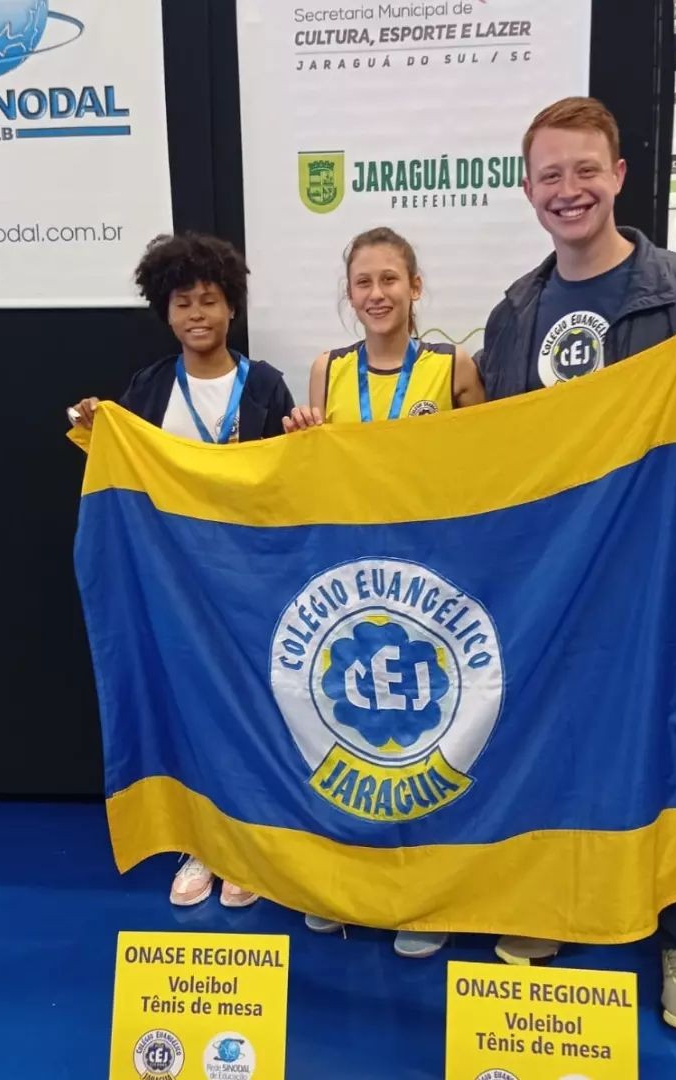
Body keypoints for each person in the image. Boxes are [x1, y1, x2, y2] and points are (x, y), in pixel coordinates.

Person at [478, 97, 676, 1032]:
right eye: (550, 175)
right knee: (550, 744)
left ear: (618, 175)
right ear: (528, 190)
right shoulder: (515, 313)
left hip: (667, 578)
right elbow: (498, 454)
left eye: (586, 170)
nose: (569, 190)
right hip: (558, 583)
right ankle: (552, 902)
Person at [69, 231, 295, 910]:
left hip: (250, 584)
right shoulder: (148, 387)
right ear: (166, 313)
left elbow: (289, 480)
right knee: (192, 710)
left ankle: (249, 845)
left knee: (252, 709)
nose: (197, 313)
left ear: (232, 308)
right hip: (174, 587)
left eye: (210, 299)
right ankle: (203, 842)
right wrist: (94, 424)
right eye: (183, 303)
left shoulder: (266, 385)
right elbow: (121, 473)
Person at [283, 225, 485, 958]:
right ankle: (345, 882)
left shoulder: (452, 366)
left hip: (430, 580)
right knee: (349, 732)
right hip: (351, 581)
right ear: (350, 292)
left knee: (425, 736)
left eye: (390, 280)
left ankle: (422, 898)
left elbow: (489, 466)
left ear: (415, 287)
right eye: (363, 282)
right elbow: (313, 473)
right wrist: (302, 434)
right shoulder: (327, 369)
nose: (376, 294)